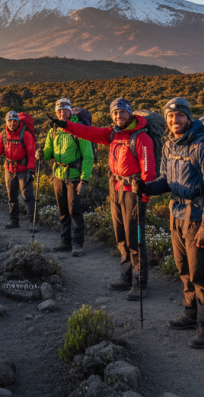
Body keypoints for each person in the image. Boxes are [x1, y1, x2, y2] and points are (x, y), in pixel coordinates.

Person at [133, 97, 204, 349]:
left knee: (200, 273)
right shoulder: (170, 144)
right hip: (177, 214)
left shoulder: (203, 146)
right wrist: (146, 187)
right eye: (171, 117)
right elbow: (165, 179)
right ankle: (190, 313)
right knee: (183, 268)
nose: (175, 120)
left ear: (189, 117)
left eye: (180, 116)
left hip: (197, 217)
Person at [47, 98, 155, 301]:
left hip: (133, 192)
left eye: (122, 113)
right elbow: (90, 132)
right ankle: (125, 276)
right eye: (115, 113)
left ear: (130, 114)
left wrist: (145, 196)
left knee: (135, 239)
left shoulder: (141, 138)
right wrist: (66, 125)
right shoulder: (113, 134)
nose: (118, 116)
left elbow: (149, 171)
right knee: (120, 236)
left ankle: (140, 282)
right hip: (115, 189)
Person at [39, 98, 94, 257]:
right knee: (63, 210)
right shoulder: (54, 130)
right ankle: (65, 242)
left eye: (64, 110)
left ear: (70, 112)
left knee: (74, 210)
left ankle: (77, 244)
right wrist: (41, 154)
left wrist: (84, 180)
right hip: (58, 175)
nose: (62, 113)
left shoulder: (78, 129)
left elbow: (88, 157)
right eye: (59, 111)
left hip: (74, 176)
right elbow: (48, 152)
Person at [0, 111, 37, 230]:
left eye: (14, 121)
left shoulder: (26, 135)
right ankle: (14, 220)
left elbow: (31, 154)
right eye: (10, 121)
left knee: (27, 196)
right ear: (6, 122)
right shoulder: (3, 135)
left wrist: (31, 169)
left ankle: (33, 222)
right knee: (11, 196)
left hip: (23, 169)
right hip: (9, 169)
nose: (12, 123)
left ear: (18, 122)